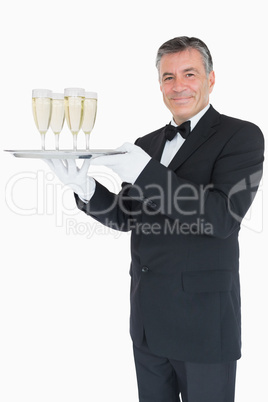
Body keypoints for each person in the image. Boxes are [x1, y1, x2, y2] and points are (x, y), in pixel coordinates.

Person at [46, 36, 264, 402]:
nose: (178, 86)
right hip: (147, 325)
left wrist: (146, 172)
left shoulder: (241, 136)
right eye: (168, 77)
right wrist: (86, 189)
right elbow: (125, 216)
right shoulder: (146, 144)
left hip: (204, 327)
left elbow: (221, 218)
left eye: (189, 74)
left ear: (211, 79)